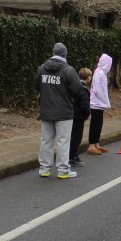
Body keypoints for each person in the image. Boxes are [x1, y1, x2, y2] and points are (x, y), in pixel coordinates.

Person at [35, 42, 83, 179]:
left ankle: (44, 168)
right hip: (64, 111)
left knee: (46, 140)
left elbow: (36, 86)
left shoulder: (41, 69)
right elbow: (77, 90)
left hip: (46, 110)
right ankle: (63, 169)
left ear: (53, 52)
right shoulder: (69, 70)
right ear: (65, 54)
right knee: (63, 141)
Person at [86, 54, 112, 155]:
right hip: (96, 102)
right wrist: (105, 101)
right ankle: (91, 145)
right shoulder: (99, 74)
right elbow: (98, 90)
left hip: (99, 103)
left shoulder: (101, 73)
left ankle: (96, 143)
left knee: (99, 123)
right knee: (95, 123)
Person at [68, 67, 92, 168]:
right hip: (78, 117)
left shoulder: (74, 87)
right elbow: (84, 106)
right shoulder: (84, 89)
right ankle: (73, 156)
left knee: (71, 136)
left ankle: (70, 155)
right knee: (76, 138)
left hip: (71, 114)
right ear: (88, 77)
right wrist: (88, 113)